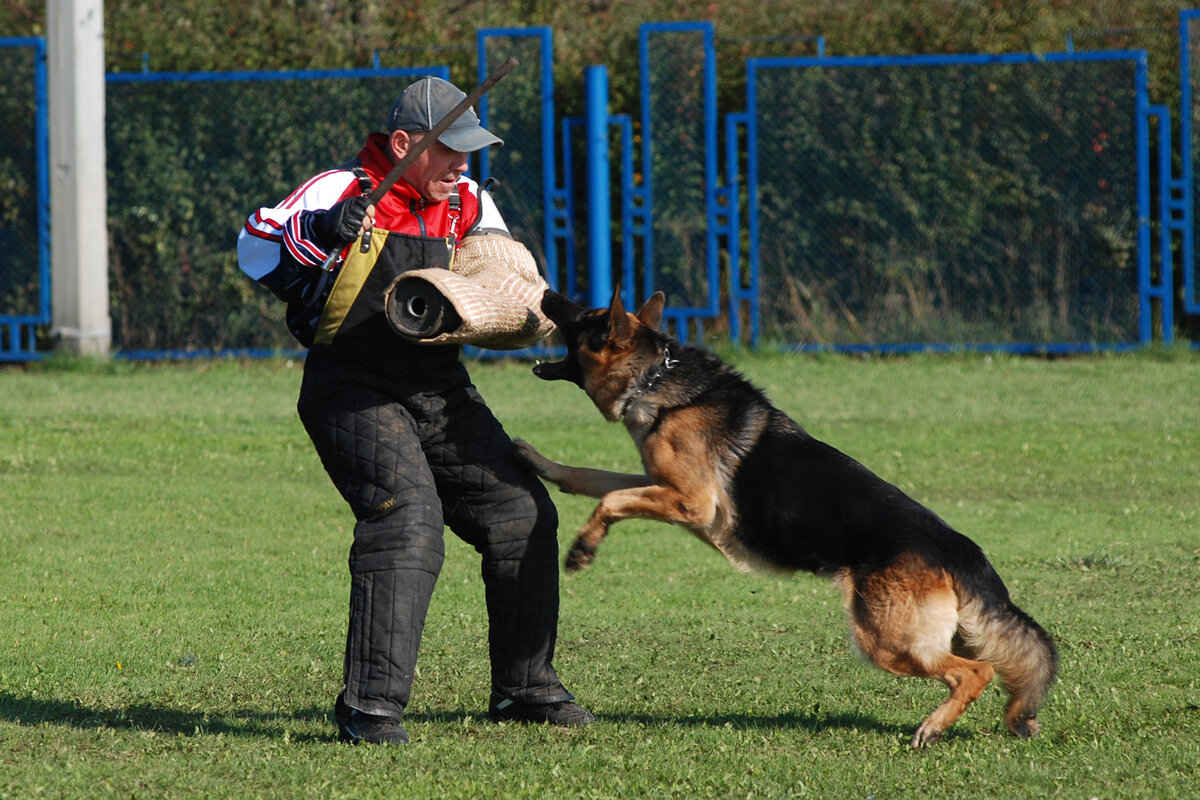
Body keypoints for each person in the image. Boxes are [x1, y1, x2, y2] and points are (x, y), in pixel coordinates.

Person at [236, 75, 592, 744]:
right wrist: (320, 230)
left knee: (521, 511)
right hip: (350, 384)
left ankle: (524, 689)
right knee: (408, 520)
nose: (463, 166)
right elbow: (253, 245)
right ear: (405, 144)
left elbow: (508, 271)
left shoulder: (468, 200)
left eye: (469, 152)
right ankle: (369, 709)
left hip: (438, 386)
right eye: (450, 150)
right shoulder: (342, 189)